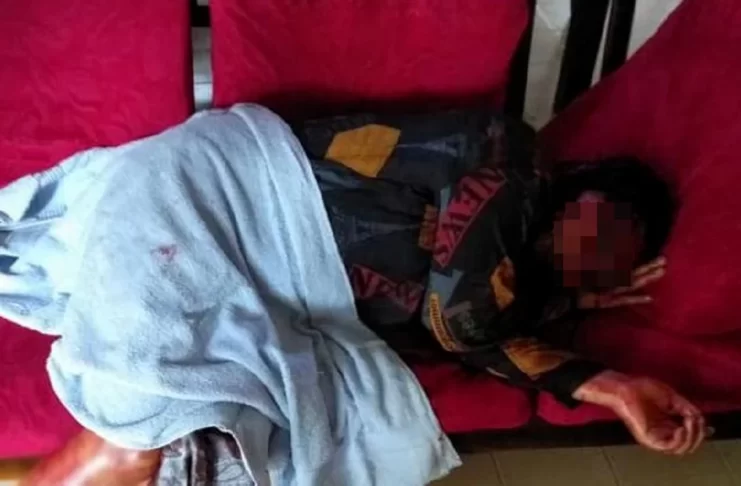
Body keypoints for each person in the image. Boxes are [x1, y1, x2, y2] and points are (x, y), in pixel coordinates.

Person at [21, 110, 707, 485]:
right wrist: (577, 333)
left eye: (618, 261)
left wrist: (610, 378)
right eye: (609, 225)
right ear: (579, 186)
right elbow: (459, 324)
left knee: (196, 410)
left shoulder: (513, 289)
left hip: (272, 279)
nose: (602, 254)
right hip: (229, 191)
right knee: (138, 392)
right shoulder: (512, 163)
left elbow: (473, 331)